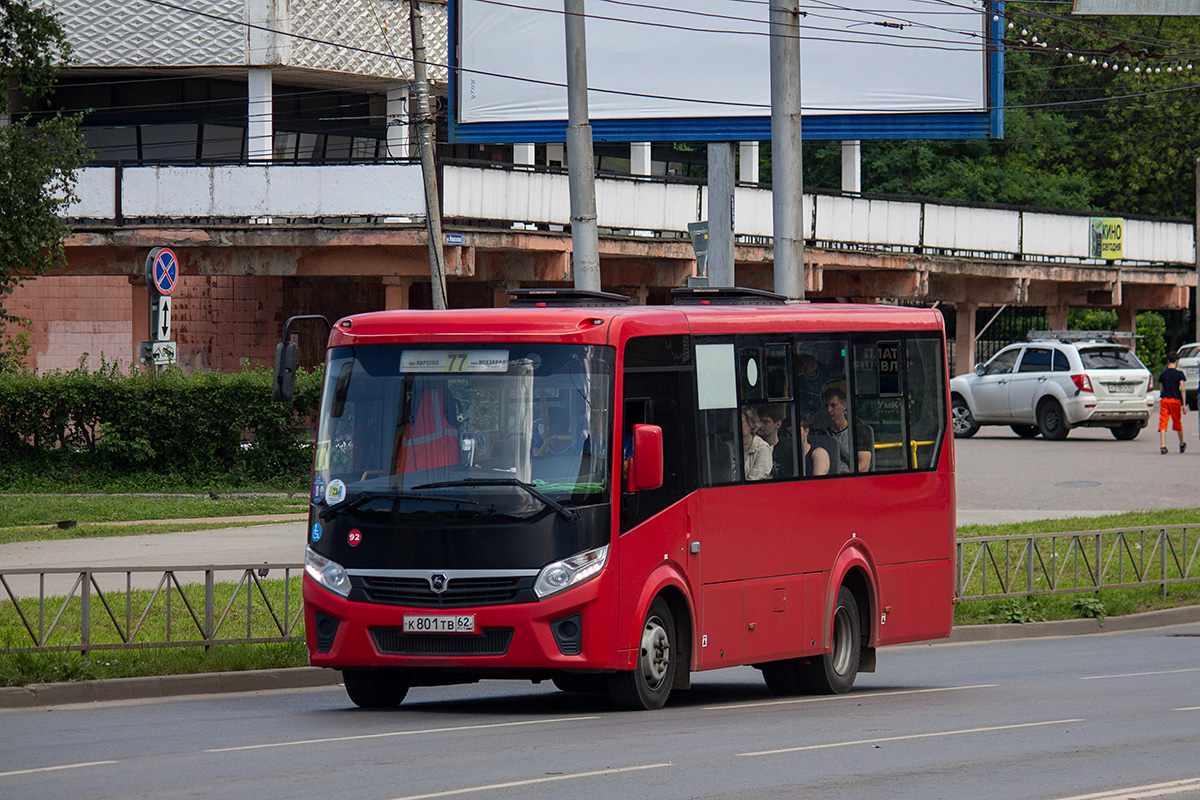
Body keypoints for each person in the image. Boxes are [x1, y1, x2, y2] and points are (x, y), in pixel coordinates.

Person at [822, 384, 874, 473]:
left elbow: (863, 466)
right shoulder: (823, 434)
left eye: (833, 405)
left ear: (844, 406)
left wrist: (845, 475)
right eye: (826, 406)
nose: (829, 410)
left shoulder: (860, 431)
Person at [1158, 351, 1187, 454]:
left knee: (1163, 422)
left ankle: (1163, 446)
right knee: (1177, 422)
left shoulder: (1163, 374)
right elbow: (1182, 388)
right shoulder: (1179, 374)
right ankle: (1182, 443)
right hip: (1175, 401)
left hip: (1165, 400)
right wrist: (1184, 404)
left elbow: (1161, 389)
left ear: (1168, 361)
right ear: (1177, 361)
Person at [757, 404, 794, 479]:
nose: (760, 425)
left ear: (778, 424)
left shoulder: (787, 451)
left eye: (765, 421)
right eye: (758, 421)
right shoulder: (754, 448)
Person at [740, 407, 773, 481]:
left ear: (751, 424)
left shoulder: (762, 449)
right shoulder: (727, 447)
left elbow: (755, 479)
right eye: (733, 421)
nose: (735, 424)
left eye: (741, 422)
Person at [797, 412, 831, 477]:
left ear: (806, 432)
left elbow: (818, 483)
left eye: (797, 431)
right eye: (791, 432)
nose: (793, 436)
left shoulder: (819, 454)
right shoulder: (786, 455)